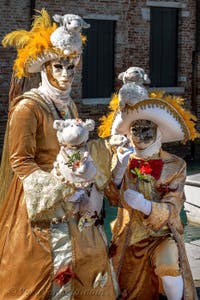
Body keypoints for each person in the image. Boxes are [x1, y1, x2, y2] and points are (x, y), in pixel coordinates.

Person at [0, 10, 118, 299]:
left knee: (87, 261)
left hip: (73, 200)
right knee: (43, 270)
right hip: (39, 203)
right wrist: (58, 189)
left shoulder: (70, 108)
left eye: (71, 67)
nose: (66, 74)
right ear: (45, 69)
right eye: (58, 67)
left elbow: (76, 150)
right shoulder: (28, 107)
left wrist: (106, 151)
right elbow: (20, 161)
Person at [99, 86, 199, 299]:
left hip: (162, 234)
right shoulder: (122, 158)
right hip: (129, 236)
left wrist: (146, 206)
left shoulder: (175, 164)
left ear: (158, 132)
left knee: (170, 267)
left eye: (147, 130)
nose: (140, 135)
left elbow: (174, 206)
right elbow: (112, 198)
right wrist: (117, 172)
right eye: (135, 130)